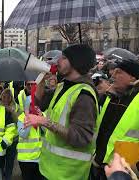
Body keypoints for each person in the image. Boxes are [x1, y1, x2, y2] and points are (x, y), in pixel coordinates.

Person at [27, 44, 99, 180]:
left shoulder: (84, 95)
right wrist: (41, 80)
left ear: (76, 62)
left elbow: (80, 138)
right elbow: (39, 103)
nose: (58, 61)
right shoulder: (63, 86)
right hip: (50, 169)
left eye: (64, 57)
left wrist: (44, 122)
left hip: (68, 173)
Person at [91, 59, 139, 180]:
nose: (113, 75)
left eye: (119, 72)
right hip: (100, 167)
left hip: (127, 173)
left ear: (132, 78)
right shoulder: (112, 96)